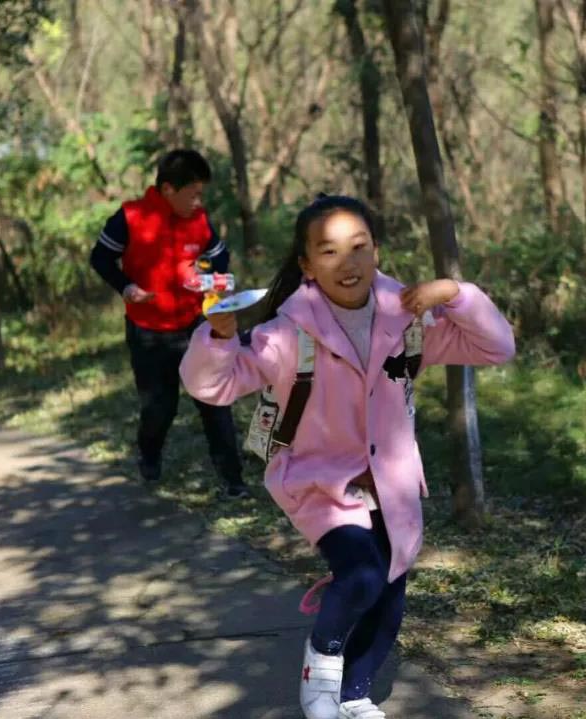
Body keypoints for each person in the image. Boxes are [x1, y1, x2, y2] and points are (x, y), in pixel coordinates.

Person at [178, 194, 515, 718]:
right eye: (329, 251)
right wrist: (219, 338)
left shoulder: (407, 322)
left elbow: (497, 347)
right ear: (307, 264)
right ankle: (321, 666)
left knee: (389, 598)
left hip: (393, 482)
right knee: (361, 575)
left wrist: (454, 293)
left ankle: (355, 696)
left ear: (376, 250)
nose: (347, 262)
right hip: (320, 483)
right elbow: (212, 387)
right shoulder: (286, 333)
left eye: (359, 246)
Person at [89, 149, 250, 499]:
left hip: (195, 326)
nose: (199, 202)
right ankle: (149, 455)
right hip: (148, 333)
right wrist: (126, 288)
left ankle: (233, 480)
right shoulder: (130, 217)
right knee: (160, 408)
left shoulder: (199, 219)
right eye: (193, 194)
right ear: (167, 190)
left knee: (213, 400)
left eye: (201, 194)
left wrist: (210, 275)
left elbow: (218, 255)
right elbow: (100, 258)